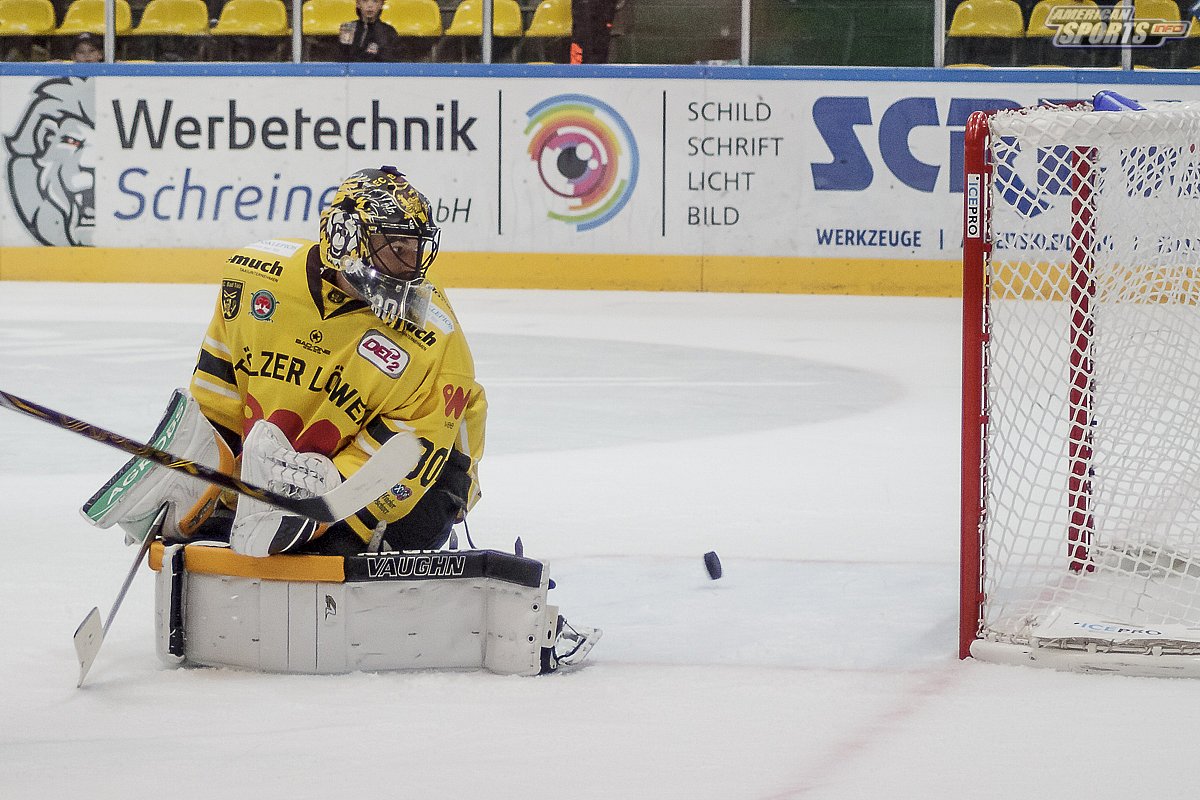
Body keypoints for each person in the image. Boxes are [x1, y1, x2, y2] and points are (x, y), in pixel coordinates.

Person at [82, 166, 486, 558]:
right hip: (279, 470)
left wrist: (325, 497)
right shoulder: (256, 279)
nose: (411, 267)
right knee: (217, 526)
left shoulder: (433, 336)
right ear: (344, 238)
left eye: (416, 249)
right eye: (396, 249)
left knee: (333, 549)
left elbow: (404, 457)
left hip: (420, 481)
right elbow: (219, 395)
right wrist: (200, 474)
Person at [338, 0, 402, 62]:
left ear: (381, 4)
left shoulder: (388, 31)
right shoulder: (348, 28)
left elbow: (391, 61)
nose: (370, 5)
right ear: (358, 3)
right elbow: (342, 59)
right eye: (365, 0)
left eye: (375, 1)